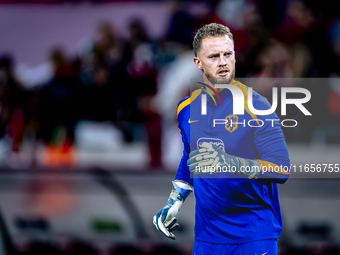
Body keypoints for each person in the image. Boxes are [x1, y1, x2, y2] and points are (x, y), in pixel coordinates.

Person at [153, 23, 290, 254]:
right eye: (214, 56)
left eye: (228, 54)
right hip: (206, 240)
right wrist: (174, 202)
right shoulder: (186, 110)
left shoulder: (257, 107)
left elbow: (281, 169)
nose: (223, 62)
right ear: (198, 63)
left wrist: (229, 162)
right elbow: (190, 157)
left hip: (253, 238)